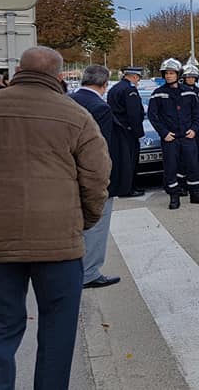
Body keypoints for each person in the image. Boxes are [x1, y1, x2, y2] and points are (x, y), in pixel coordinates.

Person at [0, 46, 111, 389]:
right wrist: (84, 222)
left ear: (17, 71)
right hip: (58, 242)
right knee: (58, 330)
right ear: (59, 77)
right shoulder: (75, 115)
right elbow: (97, 177)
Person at [70, 65, 122, 289]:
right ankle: (89, 272)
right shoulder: (100, 107)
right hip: (91, 176)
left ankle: (74, 270)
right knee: (97, 225)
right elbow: (101, 149)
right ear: (104, 84)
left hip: (68, 174)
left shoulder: (69, 100)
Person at [148, 58, 199, 210]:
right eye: (166, 73)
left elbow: (197, 114)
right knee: (171, 168)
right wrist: (164, 133)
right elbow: (153, 116)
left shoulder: (189, 92)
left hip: (188, 137)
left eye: (172, 73)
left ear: (178, 74)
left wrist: (194, 129)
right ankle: (174, 196)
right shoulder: (158, 94)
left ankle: (195, 193)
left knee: (193, 165)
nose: (168, 76)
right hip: (170, 138)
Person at [107, 66, 146, 198]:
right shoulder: (129, 89)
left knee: (121, 160)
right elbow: (134, 113)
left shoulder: (115, 88)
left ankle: (123, 187)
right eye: (138, 78)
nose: (138, 81)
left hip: (118, 130)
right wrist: (138, 133)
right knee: (130, 161)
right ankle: (129, 188)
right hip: (129, 131)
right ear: (134, 76)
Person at [181, 64, 199, 193]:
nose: (191, 79)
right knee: (183, 157)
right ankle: (183, 184)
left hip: (196, 128)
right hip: (183, 127)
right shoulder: (180, 91)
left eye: (193, 77)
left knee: (198, 155)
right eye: (188, 77)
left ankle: (196, 182)